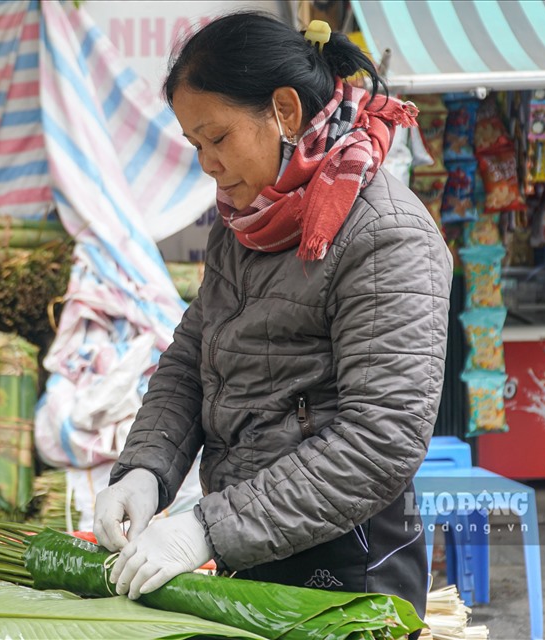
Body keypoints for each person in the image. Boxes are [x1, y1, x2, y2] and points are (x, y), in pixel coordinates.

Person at [92, 12, 452, 622]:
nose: (207, 163)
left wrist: (206, 528)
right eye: (196, 145)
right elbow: (192, 355)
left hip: (348, 564)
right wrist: (146, 471)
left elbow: (380, 440)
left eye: (218, 138)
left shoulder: (385, 234)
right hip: (249, 542)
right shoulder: (246, 222)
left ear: (284, 111)